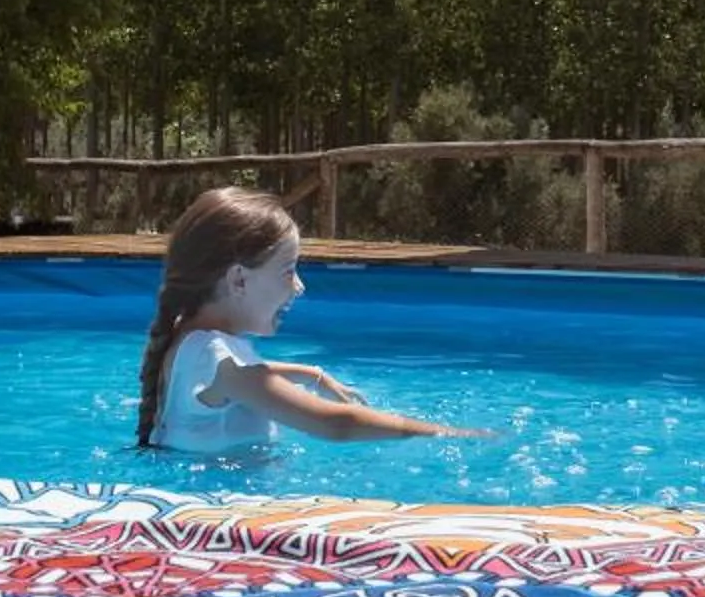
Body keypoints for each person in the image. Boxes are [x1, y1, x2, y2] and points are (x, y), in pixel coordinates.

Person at [137, 186, 487, 451]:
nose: (299, 286)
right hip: (226, 526)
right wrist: (452, 434)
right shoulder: (220, 360)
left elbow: (244, 376)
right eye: (288, 271)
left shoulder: (191, 339)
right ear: (239, 280)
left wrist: (311, 374)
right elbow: (336, 424)